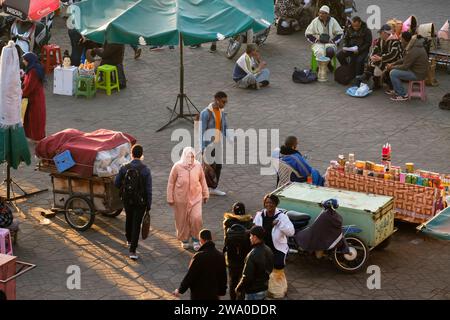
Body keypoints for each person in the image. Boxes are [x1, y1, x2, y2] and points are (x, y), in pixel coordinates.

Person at [167, 147, 209, 251]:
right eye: (188, 156)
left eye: (192, 156)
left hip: (196, 198)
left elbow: (202, 180)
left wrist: (205, 193)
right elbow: (171, 182)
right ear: (184, 156)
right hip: (181, 199)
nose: (191, 159)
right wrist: (170, 197)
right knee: (182, 220)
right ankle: (184, 239)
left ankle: (196, 239)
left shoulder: (198, 166)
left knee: (196, 218)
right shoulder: (177, 166)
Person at [114, 144, 152, 260]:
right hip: (140, 202)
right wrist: (148, 205)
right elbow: (148, 189)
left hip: (127, 199)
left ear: (131, 154)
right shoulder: (146, 170)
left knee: (129, 219)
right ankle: (132, 251)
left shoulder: (124, 167)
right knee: (136, 224)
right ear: (141, 155)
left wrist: (125, 189)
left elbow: (116, 183)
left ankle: (129, 240)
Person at [253, 194, 294, 298]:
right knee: (261, 267)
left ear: (276, 204)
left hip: (277, 248)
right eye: (267, 202)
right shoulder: (260, 215)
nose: (269, 204)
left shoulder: (282, 217)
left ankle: (278, 291)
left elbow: (291, 232)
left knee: (278, 266)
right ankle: (264, 287)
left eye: (271, 202)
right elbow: (256, 230)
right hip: (263, 247)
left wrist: (280, 224)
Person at [173, 229, 227, 300]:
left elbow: (190, 275)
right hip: (213, 293)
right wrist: (221, 292)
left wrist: (180, 290)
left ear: (201, 240)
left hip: (199, 293)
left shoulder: (199, 256)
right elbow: (223, 276)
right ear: (211, 238)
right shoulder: (220, 255)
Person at [199, 91, 229, 196]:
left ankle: (213, 187)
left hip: (218, 143)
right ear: (217, 100)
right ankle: (204, 188)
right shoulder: (205, 113)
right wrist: (202, 148)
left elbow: (224, 126)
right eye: (223, 102)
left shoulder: (221, 111)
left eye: (225, 102)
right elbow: (201, 132)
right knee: (208, 168)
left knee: (218, 166)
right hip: (208, 145)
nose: (224, 104)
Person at [223, 202, 254, 300]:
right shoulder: (249, 222)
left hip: (232, 256)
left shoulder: (227, 222)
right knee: (243, 279)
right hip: (245, 255)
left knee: (233, 280)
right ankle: (241, 298)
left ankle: (233, 299)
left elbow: (226, 238)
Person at [387, 32, 429, 101]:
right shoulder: (414, 45)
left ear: (404, 40)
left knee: (393, 73)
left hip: (418, 74)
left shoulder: (413, 50)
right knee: (394, 71)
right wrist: (394, 63)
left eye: (401, 39)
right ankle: (397, 90)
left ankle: (402, 95)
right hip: (417, 71)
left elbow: (404, 67)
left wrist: (392, 67)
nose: (400, 41)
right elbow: (405, 59)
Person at [235, 225, 274, 300]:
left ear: (255, 237)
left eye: (250, 236)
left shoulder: (252, 254)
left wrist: (238, 288)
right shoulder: (268, 250)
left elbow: (246, 276)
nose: (249, 238)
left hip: (253, 291)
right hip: (264, 287)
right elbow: (270, 268)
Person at [359, 24, 403, 90]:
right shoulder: (380, 40)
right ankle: (373, 79)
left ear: (385, 33)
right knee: (375, 61)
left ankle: (369, 75)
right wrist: (372, 57)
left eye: (381, 33)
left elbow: (393, 54)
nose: (379, 34)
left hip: (395, 61)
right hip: (383, 60)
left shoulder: (395, 41)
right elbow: (375, 49)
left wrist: (381, 58)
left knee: (377, 63)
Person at [305, 5, 343, 71]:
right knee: (320, 52)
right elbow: (308, 33)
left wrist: (333, 41)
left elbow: (340, 33)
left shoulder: (333, 21)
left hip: (330, 42)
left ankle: (322, 65)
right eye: (320, 13)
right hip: (318, 43)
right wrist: (316, 40)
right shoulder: (315, 21)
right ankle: (327, 64)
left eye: (323, 13)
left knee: (330, 51)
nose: (320, 14)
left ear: (327, 14)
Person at [22, 52, 46, 142]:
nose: (23, 61)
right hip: (33, 98)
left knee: (36, 119)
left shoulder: (33, 71)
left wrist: (21, 94)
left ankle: (38, 138)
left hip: (36, 99)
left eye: (25, 59)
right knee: (30, 118)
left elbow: (30, 86)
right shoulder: (32, 68)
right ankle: (33, 136)